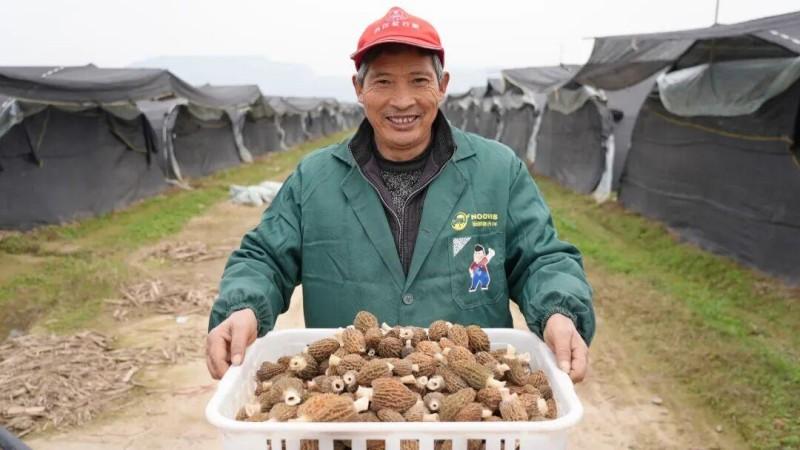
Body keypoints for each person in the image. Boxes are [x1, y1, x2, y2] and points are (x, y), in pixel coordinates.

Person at [206, 6, 595, 383]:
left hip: (470, 401)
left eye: (419, 80)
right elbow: (264, 258)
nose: (402, 100)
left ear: (442, 86)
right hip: (352, 398)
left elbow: (542, 258)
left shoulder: (497, 171)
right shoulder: (315, 179)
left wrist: (559, 311)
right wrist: (244, 307)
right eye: (383, 82)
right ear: (359, 89)